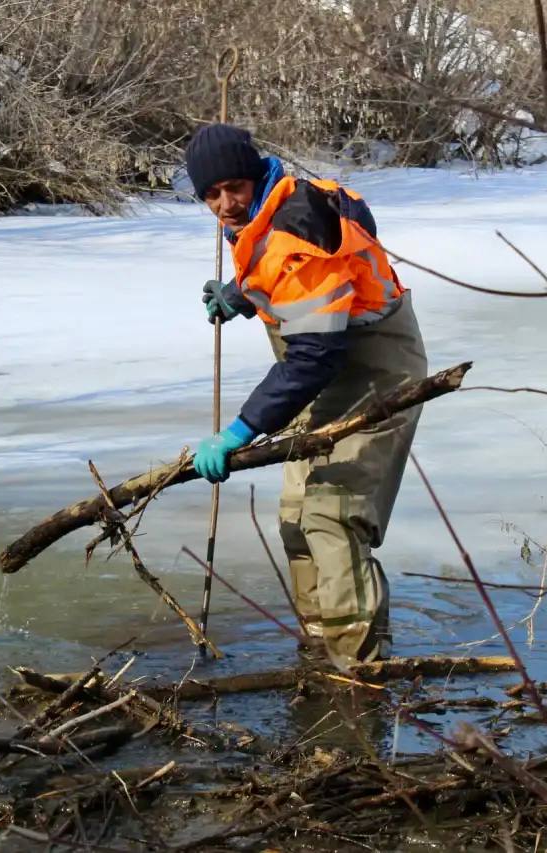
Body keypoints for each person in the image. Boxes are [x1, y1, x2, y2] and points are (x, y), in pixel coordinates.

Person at [185, 123, 428, 669]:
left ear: (255, 176)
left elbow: (314, 351)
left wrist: (240, 430)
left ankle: (360, 672)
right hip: (327, 378)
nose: (226, 203)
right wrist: (244, 293)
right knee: (297, 517)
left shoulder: (295, 227)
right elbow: (307, 281)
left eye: (235, 188)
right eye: (212, 194)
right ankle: (319, 651)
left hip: (376, 378)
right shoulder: (270, 211)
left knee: (332, 515)